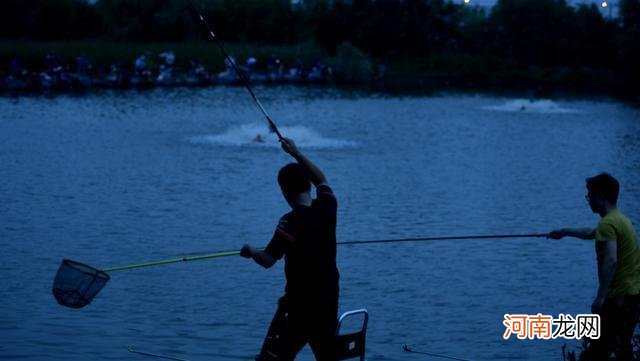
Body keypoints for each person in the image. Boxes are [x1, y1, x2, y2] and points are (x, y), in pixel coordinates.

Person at [241, 138, 340, 361]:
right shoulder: (328, 207)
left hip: (299, 310)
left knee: (270, 358)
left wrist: (250, 251)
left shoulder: (289, 222)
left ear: (284, 192)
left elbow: (267, 260)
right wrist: (295, 153)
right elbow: (322, 179)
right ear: (307, 185)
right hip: (328, 304)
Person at [549, 173, 640, 360]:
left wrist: (600, 297)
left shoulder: (608, 224)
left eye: (589, 195)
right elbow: (591, 232)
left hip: (617, 299)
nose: (588, 200)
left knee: (597, 352)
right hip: (632, 296)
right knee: (621, 349)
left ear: (601, 196)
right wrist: (564, 232)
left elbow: (611, 260)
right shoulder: (620, 219)